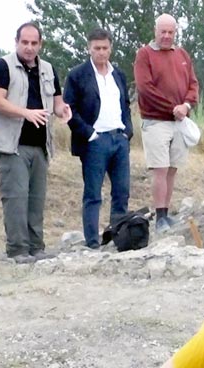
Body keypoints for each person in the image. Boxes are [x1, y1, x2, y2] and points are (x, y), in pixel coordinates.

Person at [0, 22, 71, 264]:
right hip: (12, 145)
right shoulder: (2, 66)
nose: (29, 47)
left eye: (34, 43)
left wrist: (63, 110)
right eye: (25, 42)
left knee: (36, 199)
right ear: (16, 42)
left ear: (40, 44)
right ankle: (17, 250)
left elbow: (56, 101)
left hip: (41, 146)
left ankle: (37, 248)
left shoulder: (47, 69)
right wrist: (25, 113)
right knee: (16, 198)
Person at [63, 28, 133, 250]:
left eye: (105, 48)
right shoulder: (77, 75)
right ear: (89, 49)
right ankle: (92, 242)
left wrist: (127, 132)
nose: (101, 52)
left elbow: (126, 106)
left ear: (110, 48)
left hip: (118, 139)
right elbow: (69, 109)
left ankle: (117, 237)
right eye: (97, 48)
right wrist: (89, 134)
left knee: (121, 192)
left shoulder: (117, 74)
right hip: (95, 141)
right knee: (93, 194)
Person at [133, 13, 199, 233]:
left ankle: (167, 213)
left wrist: (186, 106)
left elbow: (193, 84)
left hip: (180, 121)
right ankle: (160, 216)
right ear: (155, 31)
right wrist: (173, 107)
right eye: (163, 31)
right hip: (156, 120)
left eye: (171, 32)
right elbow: (145, 88)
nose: (167, 36)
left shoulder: (182, 55)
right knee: (160, 169)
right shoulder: (145, 55)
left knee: (172, 169)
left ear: (175, 32)